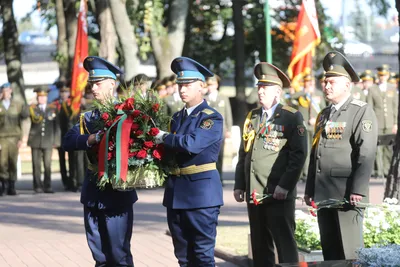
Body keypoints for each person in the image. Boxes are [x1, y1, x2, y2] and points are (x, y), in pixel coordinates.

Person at [63, 56, 137, 266]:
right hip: (93, 191)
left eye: (98, 83)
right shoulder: (87, 118)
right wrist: (90, 138)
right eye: (92, 83)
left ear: (112, 84)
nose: (94, 88)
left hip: (118, 191)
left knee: (119, 254)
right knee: (100, 256)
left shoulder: (128, 114)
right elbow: (68, 141)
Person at [304, 51, 378, 260]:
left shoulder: (360, 111)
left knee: (350, 253)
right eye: (325, 81)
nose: (326, 86)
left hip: (347, 194)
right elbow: (316, 154)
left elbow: (366, 152)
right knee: (331, 254)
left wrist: (358, 189)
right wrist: (310, 189)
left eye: (332, 82)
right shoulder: (324, 115)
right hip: (325, 192)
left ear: (347, 84)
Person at [234, 62, 308, 266]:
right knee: (259, 245)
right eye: (259, 87)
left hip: (278, 192)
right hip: (255, 192)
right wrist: (240, 184)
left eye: (264, 88)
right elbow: (244, 153)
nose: (260, 91)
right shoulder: (253, 117)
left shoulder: (291, 116)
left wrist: (285, 185)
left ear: (277, 92)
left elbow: (299, 155)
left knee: (284, 243)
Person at [154, 57, 224, 266]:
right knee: (183, 257)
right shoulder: (177, 117)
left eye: (188, 85)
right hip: (176, 194)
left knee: (202, 255)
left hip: (201, 196)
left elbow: (191, 144)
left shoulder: (211, 117)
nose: (182, 89)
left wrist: (162, 137)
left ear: (201, 87)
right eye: (180, 85)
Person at [367, 64, 398, 178]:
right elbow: (370, 107)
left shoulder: (392, 88)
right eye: (381, 75)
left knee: (389, 148)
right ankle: (379, 171)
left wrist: (395, 123)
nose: (383, 77)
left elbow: (395, 107)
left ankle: (387, 170)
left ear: (388, 75)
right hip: (378, 123)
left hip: (389, 123)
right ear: (378, 75)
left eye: (385, 75)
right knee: (377, 149)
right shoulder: (372, 89)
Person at [28, 86, 60, 193]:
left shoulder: (52, 108)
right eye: (39, 97)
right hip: (35, 140)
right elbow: (24, 115)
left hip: (48, 140)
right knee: (36, 165)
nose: (41, 99)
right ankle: (37, 186)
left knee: (47, 164)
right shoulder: (32, 108)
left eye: (43, 97)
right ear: (37, 97)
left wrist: (56, 141)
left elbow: (57, 126)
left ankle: (48, 186)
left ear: (46, 97)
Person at [0, 83, 29, 196]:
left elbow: (22, 121)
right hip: (2, 138)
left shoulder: (17, 104)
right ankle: (3, 185)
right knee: (2, 162)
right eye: (4, 91)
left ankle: (12, 186)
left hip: (14, 137)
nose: (6, 93)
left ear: (11, 91)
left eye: (8, 90)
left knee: (13, 161)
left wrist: (21, 138)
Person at [205, 74, 233, 184]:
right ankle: (210, 177)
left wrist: (229, 129)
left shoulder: (223, 97)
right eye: (209, 85)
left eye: (213, 85)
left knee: (220, 155)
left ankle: (219, 177)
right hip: (207, 131)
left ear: (217, 85)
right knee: (208, 154)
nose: (211, 87)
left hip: (221, 130)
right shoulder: (204, 98)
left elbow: (228, 113)